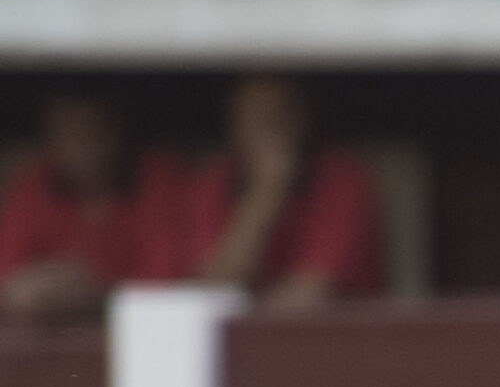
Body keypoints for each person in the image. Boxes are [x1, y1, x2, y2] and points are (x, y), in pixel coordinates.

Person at [182, 76, 383, 310]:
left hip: (336, 341)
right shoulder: (211, 183)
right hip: (242, 339)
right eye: (254, 117)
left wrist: (274, 180)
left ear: (303, 119)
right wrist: (265, 191)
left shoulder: (344, 181)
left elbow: (311, 295)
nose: (268, 129)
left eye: (278, 115)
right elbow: (212, 291)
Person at [0, 91, 187, 322]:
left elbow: (171, 284)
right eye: (69, 134)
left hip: (139, 333)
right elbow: (8, 280)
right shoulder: (33, 189)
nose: (82, 145)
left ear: (117, 132)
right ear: (51, 143)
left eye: (92, 131)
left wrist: (98, 294)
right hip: (47, 340)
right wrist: (33, 289)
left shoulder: (157, 181)